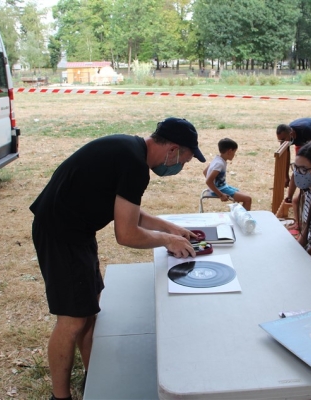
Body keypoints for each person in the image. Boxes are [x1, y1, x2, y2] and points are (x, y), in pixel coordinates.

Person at [30, 117, 206, 400]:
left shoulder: (129, 150)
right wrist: (167, 240)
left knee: (89, 310)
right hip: (61, 234)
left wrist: (168, 227)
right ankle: (59, 397)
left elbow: (126, 210)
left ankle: (94, 376)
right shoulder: (134, 164)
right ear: (172, 149)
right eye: (184, 161)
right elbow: (126, 234)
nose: (179, 167)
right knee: (73, 320)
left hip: (75, 229)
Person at [276, 120, 311, 227]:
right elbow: (288, 158)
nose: (282, 142)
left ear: (291, 134)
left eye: (283, 139)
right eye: (279, 140)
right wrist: (286, 177)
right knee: (296, 199)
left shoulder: (305, 130)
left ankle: (304, 224)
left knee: (301, 199)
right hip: (307, 143)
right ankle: (300, 224)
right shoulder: (288, 138)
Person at [204, 138, 252, 210]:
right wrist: (220, 194)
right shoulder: (219, 164)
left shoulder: (217, 158)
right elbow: (208, 181)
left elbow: (205, 172)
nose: (234, 155)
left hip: (222, 187)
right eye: (234, 152)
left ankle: (238, 215)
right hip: (220, 189)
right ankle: (244, 220)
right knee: (248, 199)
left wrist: (213, 186)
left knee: (242, 194)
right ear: (230, 151)